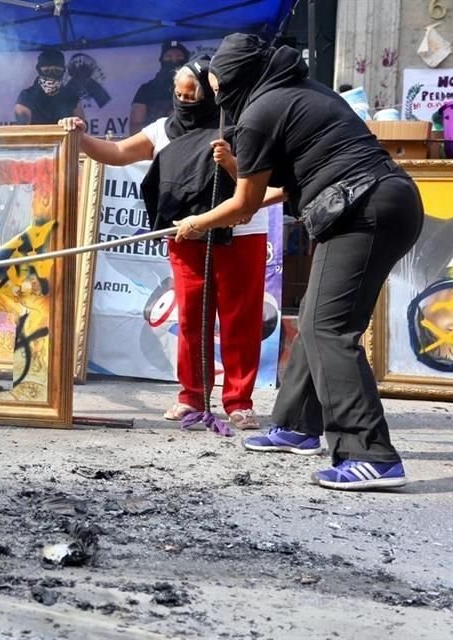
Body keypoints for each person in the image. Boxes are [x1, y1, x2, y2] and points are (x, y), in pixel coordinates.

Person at [173, 33, 424, 490]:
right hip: (382, 200)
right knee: (315, 317)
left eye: (218, 85)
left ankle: (371, 453)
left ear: (235, 79)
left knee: (330, 328)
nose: (218, 96)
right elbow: (279, 192)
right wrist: (216, 204)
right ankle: (297, 425)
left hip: (362, 209)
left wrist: (198, 222)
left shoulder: (260, 111)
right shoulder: (298, 92)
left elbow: (245, 204)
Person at [62, 57, 269, 430]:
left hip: (240, 234)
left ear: (211, 94)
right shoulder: (161, 130)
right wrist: (82, 136)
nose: (185, 101)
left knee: (240, 321)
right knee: (191, 318)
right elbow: (119, 153)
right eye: (179, 95)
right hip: (185, 233)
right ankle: (192, 396)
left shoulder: (239, 127)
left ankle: (239, 401)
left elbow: (262, 185)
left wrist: (231, 162)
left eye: (192, 96)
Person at [129, 41, 190, 135]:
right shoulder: (147, 89)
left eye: (179, 57)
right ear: (161, 60)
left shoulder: (195, 88)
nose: (174, 60)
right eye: (168, 57)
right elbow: (135, 125)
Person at [15, 49, 84, 125]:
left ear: (63, 71)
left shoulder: (71, 96)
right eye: (46, 71)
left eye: (57, 71)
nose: (51, 75)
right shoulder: (27, 96)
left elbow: (82, 124)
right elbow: (23, 128)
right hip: (37, 136)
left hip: (65, 136)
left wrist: (77, 123)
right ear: (38, 70)